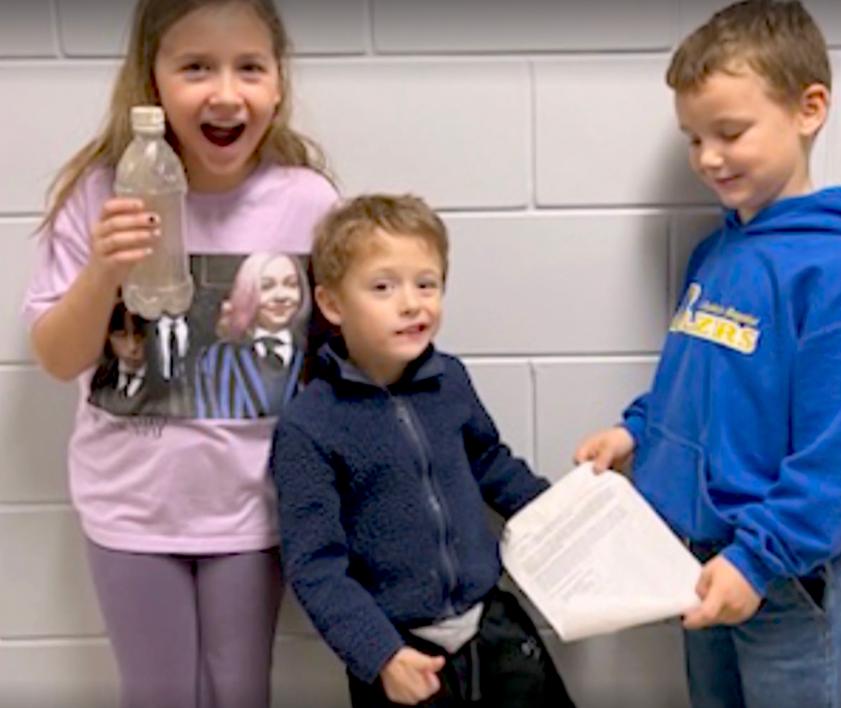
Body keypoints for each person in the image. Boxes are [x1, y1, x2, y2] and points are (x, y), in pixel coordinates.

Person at [574, 2, 841, 706]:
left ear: (809, 108)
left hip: (784, 575)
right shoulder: (718, 252)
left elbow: (840, 454)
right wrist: (636, 428)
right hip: (698, 559)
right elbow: (693, 383)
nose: (707, 158)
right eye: (693, 139)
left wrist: (757, 561)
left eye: (729, 132)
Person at [21, 0, 338, 706]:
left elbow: (338, 354)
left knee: (239, 691)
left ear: (278, 82)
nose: (226, 92)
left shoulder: (306, 202)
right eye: (196, 66)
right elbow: (57, 355)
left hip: (252, 510)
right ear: (152, 81)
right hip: (130, 509)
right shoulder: (100, 193)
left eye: (249, 67)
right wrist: (105, 271)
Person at [270, 194, 575, 708]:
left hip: (492, 626)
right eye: (383, 287)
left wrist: (565, 512)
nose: (412, 303)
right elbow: (316, 567)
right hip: (399, 650)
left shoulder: (449, 380)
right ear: (331, 304)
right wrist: (380, 654)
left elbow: (490, 462)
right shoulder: (309, 426)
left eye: (426, 284)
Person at [195, 251, 311, 418]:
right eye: (266, 286)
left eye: (291, 284)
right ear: (247, 293)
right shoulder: (216, 358)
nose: (280, 296)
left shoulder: (314, 355)